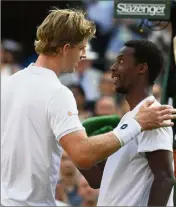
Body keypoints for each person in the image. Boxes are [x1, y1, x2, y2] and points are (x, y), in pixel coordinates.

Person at [1, 8, 176, 207]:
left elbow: (162, 178)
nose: (84, 55)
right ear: (66, 48)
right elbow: (83, 155)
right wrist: (135, 124)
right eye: (81, 48)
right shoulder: (57, 92)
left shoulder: (8, 84)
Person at [79, 40, 176, 206]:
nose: (113, 67)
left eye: (121, 61)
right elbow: (98, 181)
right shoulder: (130, 118)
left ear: (141, 68)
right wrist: (70, 141)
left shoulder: (153, 115)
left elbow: (165, 178)